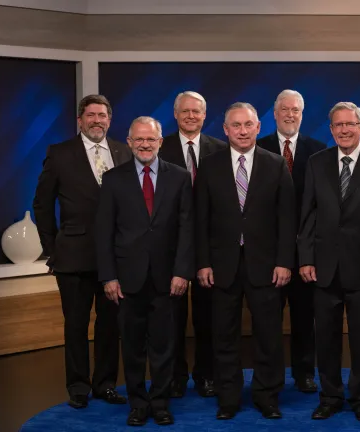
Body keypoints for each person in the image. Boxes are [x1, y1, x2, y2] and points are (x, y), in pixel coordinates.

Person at [298, 102, 360, 422]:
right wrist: (305, 258)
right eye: (338, 125)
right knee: (325, 337)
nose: (344, 130)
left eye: (350, 124)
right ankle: (329, 395)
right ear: (331, 130)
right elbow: (308, 214)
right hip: (324, 267)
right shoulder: (317, 163)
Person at [195, 102, 296, 421]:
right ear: (225, 130)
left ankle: (267, 395)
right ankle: (228, 397)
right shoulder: (209, 165)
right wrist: (203, 262)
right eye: (235, 125)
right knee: (224, 335)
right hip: (221, 266)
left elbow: (287, 218)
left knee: (268, 335)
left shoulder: (276, 164)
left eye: (248, 124)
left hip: (266, 266)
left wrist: (284, 262)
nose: (242, 130)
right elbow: (200, 219)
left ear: (257, 127)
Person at [32, 94, 129, 409]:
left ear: (109, 120)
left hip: (115, 259)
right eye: (91, 115)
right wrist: (52, 248)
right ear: (80, 120)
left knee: (109, 324)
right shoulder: (60, 153)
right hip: (73, 256)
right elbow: (42, 204)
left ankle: (105, 385)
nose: (97, 120)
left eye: (102, 115)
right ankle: (77, 387)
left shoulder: (123, 152)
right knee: (75, 324)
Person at [96, 116, 194, 426]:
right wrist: (109, 276)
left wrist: (182, 272)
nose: (144, 145)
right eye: (138, 139)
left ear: (160, 142)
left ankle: (161, 402)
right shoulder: (113, 179)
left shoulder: (179, 177)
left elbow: (186, 228)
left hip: (168, 278)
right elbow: (104, 232)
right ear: (129, 142)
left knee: (164, 345)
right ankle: (138, 403)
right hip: (127, 279)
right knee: (133, 346)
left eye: (150, 140)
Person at [158, 91, 226, 399]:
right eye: (185, 111)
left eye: (196, 112)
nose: (190, 116)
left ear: (204, 114)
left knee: (207, 318)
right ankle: (175, 376)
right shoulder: (160, 148)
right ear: (175, 114)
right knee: (171, 318)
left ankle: (206, 375)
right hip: (170, 248)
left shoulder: (220, 150)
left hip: (211, 248)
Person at [257, 89, 326, 393]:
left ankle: (304, 373)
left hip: (305, 251)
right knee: (269, 318)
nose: (289, 115)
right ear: (274, 114)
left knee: (304, 316)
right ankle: (270, 375)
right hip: (268, 251)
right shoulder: (258, 148)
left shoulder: (319, 149)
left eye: (295, 110)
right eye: (284, 109)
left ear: (302, 113)